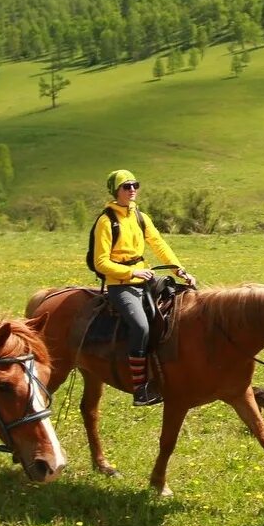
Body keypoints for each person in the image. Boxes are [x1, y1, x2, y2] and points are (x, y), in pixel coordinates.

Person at [90, 169, 195, 406]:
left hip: (145, 278)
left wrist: (178, 270)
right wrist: (131, 272)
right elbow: (101, 262)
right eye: (126, 186)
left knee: (182, 304)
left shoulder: (140, 216)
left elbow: (158, 243)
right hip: (121, 285)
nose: (132, 189)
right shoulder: (106, 221)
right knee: (141, 327)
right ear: (116, 190)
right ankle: (139, 388)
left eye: (135, 185)